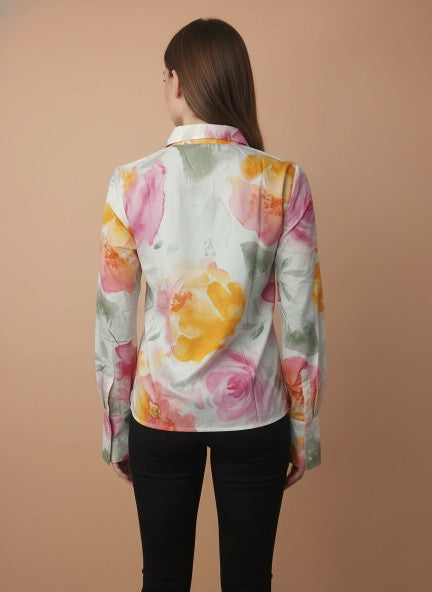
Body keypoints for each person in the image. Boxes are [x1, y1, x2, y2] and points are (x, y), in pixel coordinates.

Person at [94, 16, 327, 592]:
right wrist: (304, 430)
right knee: (250, 581)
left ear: (177, 81)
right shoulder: (284, 181)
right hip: (256, 415)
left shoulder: (129, 183)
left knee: (163, 578)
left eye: (164, 77)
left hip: (159, 413)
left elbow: (114, 324)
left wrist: (116, 428)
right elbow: (302, 323)